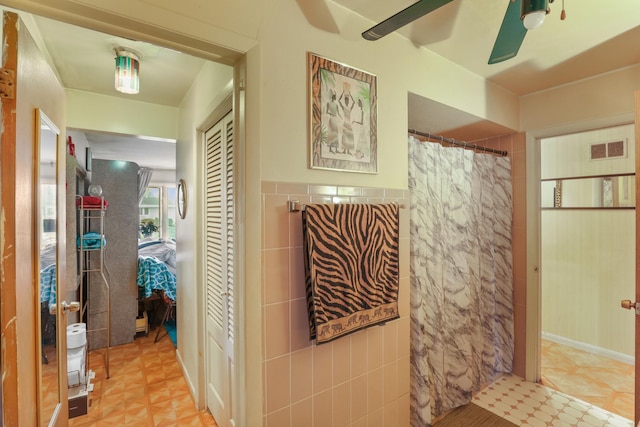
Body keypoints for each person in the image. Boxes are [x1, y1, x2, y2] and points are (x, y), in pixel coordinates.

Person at [339, 84, 355, 155]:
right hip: (345, 123)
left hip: (348, 123)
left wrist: (350, 95)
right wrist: (342, 93)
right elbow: (339, 101)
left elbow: (354, 102)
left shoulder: (349, 108)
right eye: (346, 101)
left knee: (349, 137)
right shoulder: (344, 107)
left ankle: (348, 151)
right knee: (344, 136)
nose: (347, 102)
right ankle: (345, 150)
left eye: (347, 101)